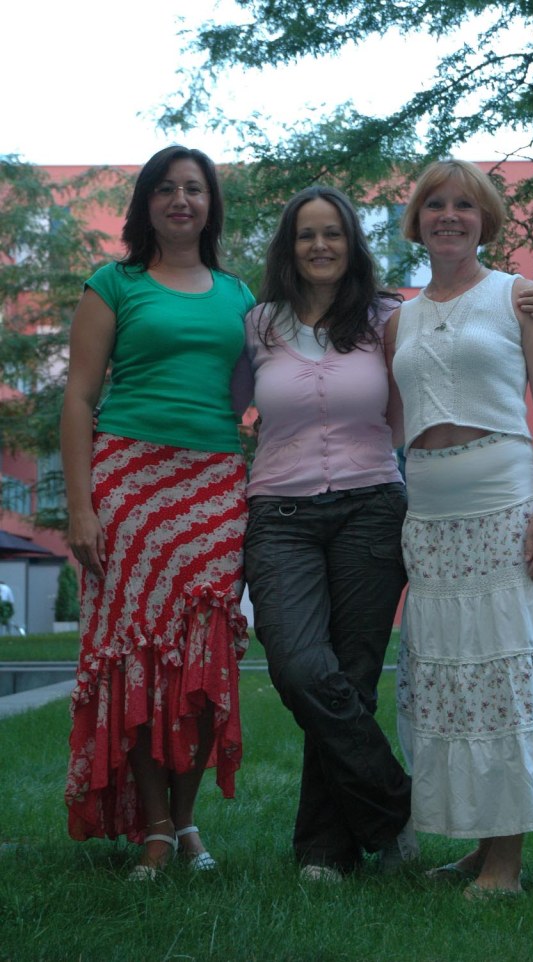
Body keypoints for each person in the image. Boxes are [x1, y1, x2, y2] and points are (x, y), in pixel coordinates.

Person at [241, 185, 533, 882]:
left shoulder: (387, 317)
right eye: (306, 234)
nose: (320, 245)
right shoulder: (258, 323)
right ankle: (394, 808)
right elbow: (218, 400)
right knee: (301, 668)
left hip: (372, 506)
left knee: (351, 679)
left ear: (352, 243)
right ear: (288, 247)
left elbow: (441, 375)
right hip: (281, 514)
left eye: (333, 232)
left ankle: (325, 852)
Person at [388, 159, 533, 899]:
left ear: (485, 220)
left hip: (504, 505)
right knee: (459, 681)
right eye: (434, 205)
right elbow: (391, 421)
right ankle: (479, 846)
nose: (448, 216)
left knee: (505, 674)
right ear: (417, 220)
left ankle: (506, 866)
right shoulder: (398, 319)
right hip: (430, 517)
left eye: (464, 205)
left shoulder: (519, 296)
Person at [61, 146, 255, 880]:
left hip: (215, 484)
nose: (181, 200)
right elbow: (79, 397)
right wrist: (81, 508)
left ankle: (188, 817)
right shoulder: (114, 283)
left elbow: (267, 383)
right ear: (146, 203)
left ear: (210, 205)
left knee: (204, 654)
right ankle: (156, 826)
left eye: (194, 189)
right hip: (130, 481)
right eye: (166, 189)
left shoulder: (239, 294)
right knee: (135, 653)